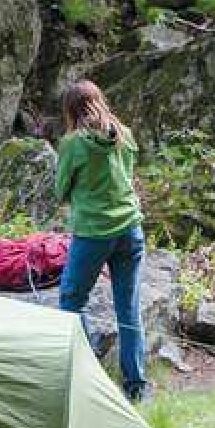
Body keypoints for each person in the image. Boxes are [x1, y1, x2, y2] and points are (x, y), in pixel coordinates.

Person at [54, 79, 148, 403]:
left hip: (93, 232)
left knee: (71, 301)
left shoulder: (72, 144)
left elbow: (61, 189)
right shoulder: (124, 134)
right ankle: (136, 385)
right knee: (128, 307)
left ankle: (86, 377)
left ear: (71, 111)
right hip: (130, 229)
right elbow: (127, 176)